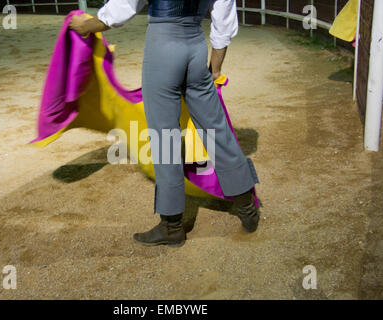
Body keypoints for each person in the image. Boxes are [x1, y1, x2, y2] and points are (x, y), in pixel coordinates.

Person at [69, 0, 260, 247]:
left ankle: (172, 227)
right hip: (196, 46)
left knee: (165, 139)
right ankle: (247, 210)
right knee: (216, 129)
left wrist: (86, 25)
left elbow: (121, 9)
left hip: (163, 48)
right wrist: (215, 68)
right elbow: (223, 20)